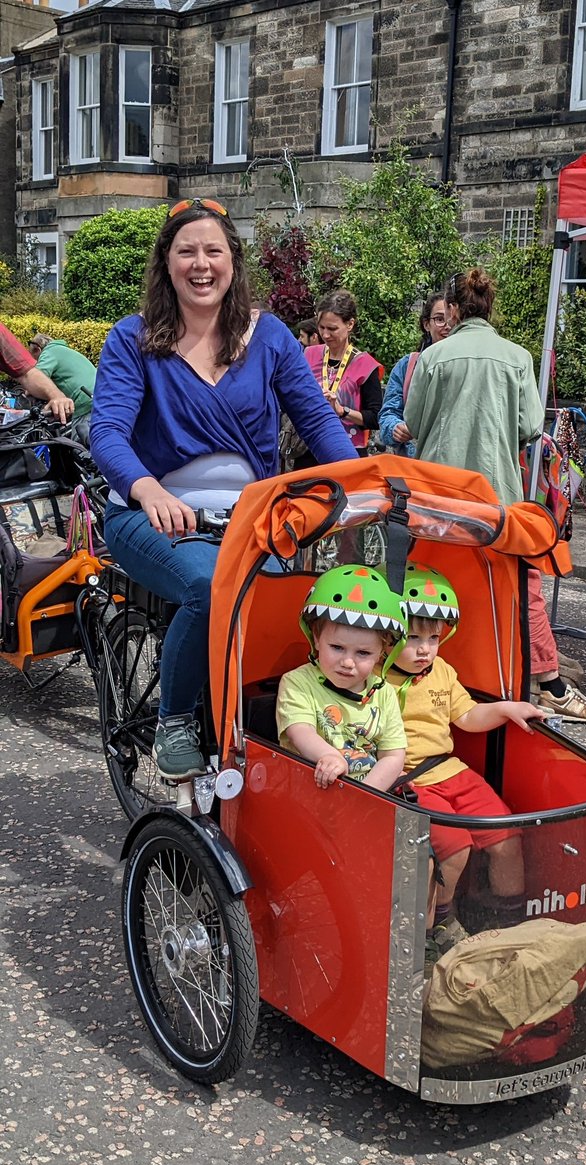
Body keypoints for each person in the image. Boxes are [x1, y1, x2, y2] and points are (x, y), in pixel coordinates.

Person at [90, 196, 357, 782]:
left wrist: (362, 485)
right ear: (166, 263)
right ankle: (177, 719)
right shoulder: (133, 339)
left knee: (296, 609)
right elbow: (107, 430)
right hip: (150, 511)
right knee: (211, 588)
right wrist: (146, 489)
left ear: (233, 260)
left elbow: (316, 420)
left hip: (252, 514)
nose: (201, 263)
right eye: (186, 251)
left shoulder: (272, 338)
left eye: (213, 250)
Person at [405, 268, 586, 724]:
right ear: (489, 307)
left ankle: (438, 675)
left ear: (452, 310)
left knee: (433, 579)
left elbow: (415, 423)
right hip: (496, 493)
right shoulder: (516, 357)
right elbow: (530, 428)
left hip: (439, 493)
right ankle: (547, 681)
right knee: (519, 585)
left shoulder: (434, 358)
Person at [386, 563, 538, 965]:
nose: (424, 649)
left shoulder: (442, 670)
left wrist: (506, 708)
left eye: (433, 638)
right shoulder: (376, 682)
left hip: (449, 769)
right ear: (386, 637)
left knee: (506, 836)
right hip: (406, 778)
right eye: (413, 637)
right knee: (453, 848)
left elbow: (468, 718)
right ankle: (440, 925)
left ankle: (509, 925)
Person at [276, 564, 407, 791]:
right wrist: (328, 755)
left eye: (363, 653)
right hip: (309, 789)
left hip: (367, 791)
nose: (348, 662)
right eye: (337, 647)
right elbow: (300, 731)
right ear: (316, 639)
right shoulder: (298, 682)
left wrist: (365, 795)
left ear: (381, 653)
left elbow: (393, 755)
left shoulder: (384, 693)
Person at [304, 289, 384, 461]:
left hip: (348, 451)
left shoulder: (366, 365)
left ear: (350, 324)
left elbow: (375, 418)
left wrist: (342, 411)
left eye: (332, 328)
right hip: (308, 449)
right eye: (321, 327)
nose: (325, 335)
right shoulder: (308, 355)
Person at [379, 292, 451, 457]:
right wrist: (396, 428)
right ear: (427, 324)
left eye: (452, 319)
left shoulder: (468, 366)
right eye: (440, 319)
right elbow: (388, 414)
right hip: (412, 466)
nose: (447, 326)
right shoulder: (408, 366)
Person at [28, 333, 96, 447]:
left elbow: (37, 378)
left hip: (84, 400)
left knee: (80, 447)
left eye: (35, 358)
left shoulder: (49, 352)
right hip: (98, 394)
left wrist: (27, 392)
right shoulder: (63, 350)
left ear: (38, 349)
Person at [0, 321, 73, 423]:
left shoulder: (48, 353)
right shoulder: (60, 349)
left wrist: (57, 396)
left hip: (80, 402)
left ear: (38, 349)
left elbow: (28, 372)